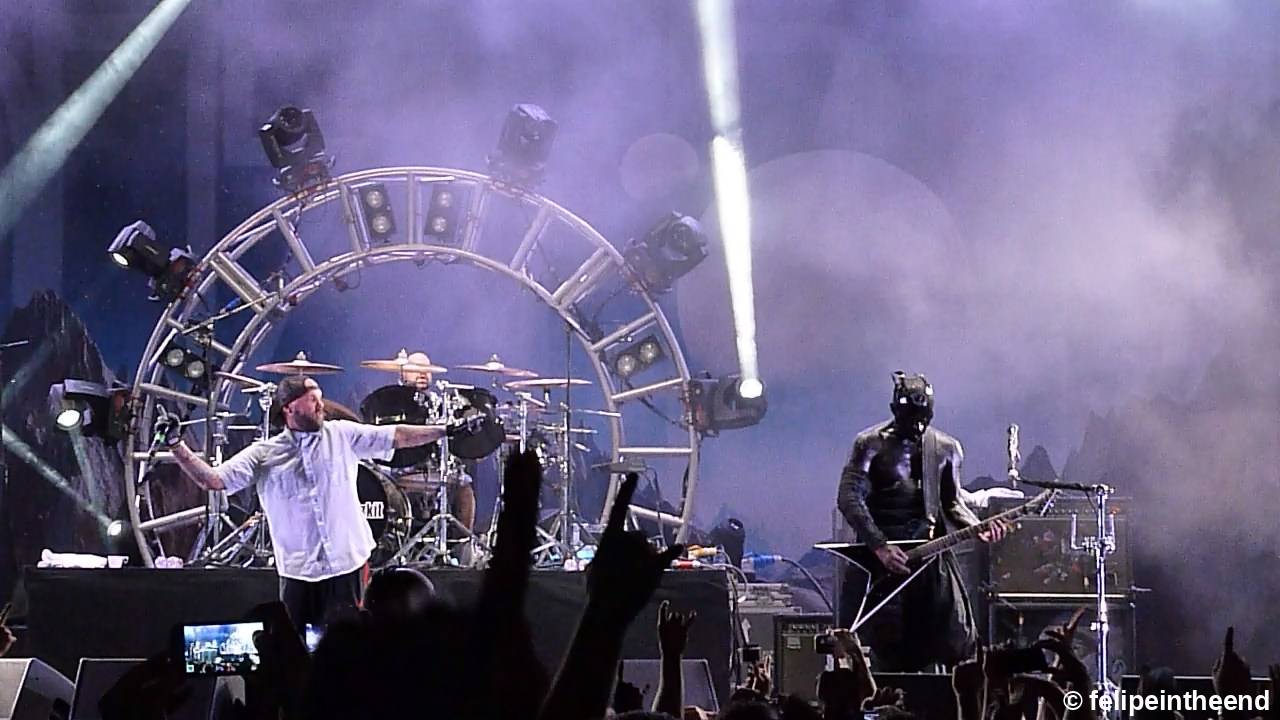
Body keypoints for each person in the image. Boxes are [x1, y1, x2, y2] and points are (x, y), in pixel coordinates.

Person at [167, 374, 449, 628]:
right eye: (312, 400)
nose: (321, 405)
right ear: (289, 408)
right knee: (296, 646)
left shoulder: (342, 434)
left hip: (346, 564)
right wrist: (176, 445)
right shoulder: (264, 454)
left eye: (320, 398)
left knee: (350, 643)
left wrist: (444, 430)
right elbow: (213, 480)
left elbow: (397, 436)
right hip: (298, 572)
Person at [836, 371, 1008, 671]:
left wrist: (977, 528)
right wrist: (880, 546)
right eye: (910, 419)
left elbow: (951, 502)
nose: (917, 427)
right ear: (895, 411)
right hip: (881, 564)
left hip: (929, 563)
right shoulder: (869, 444)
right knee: (881, 649)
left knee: (953, 642)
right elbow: (849, 497)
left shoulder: (946, 448)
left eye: (923, 419)